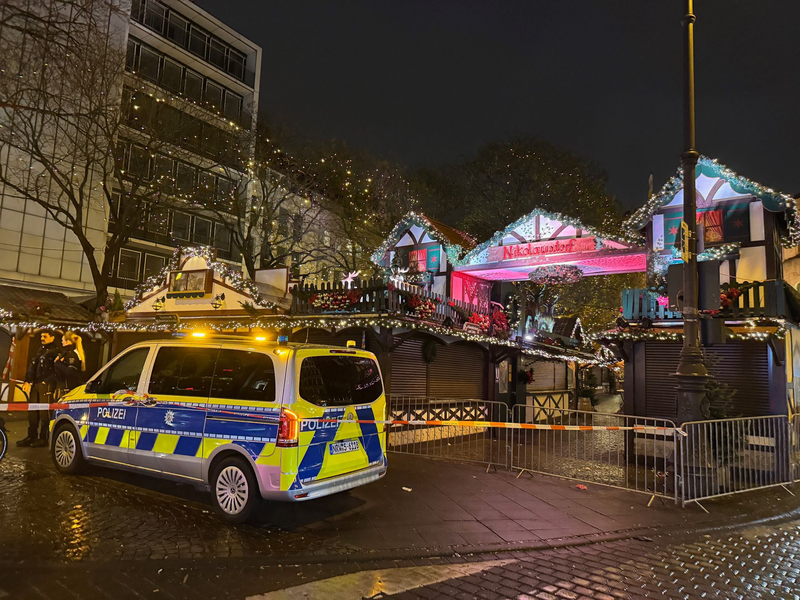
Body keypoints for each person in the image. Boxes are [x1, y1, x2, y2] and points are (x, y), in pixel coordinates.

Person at [17, 329, 61, 448]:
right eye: (41, 336)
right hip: (36, 384)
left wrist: (46, 381)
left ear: (52, 337)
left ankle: (43, 438)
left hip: (46, 384)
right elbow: (33, 366)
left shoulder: (55, 351)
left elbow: (58, 369)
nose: (42, 338)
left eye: (45, 336)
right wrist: (28, 380)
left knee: (44, 413)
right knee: (33, 412)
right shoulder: (40, 350)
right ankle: (31, 436)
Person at [54, 331, 85, 395]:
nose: (61, 342)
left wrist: (57, 363)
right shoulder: (69, 352)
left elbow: (70, 371)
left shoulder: (71, 354)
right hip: (67, 386)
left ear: (67, 341)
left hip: (69, 388)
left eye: (62, 340)